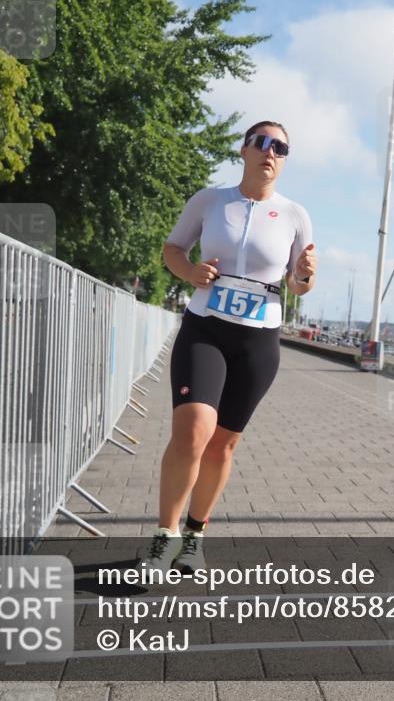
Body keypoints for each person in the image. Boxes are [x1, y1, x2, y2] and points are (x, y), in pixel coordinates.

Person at [142, 120, 316, 574]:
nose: (271, 152)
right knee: (194, 430)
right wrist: (190, 272)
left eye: (281, 147)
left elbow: (298, 286)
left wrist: (306, 276)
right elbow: (173, 249)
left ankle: (196, 536)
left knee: (222, 446)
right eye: (262, 143)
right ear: (244, 150)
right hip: (206, 328)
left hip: (258, 339)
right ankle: (165, 535)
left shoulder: (295, 214)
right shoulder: (211, 200)